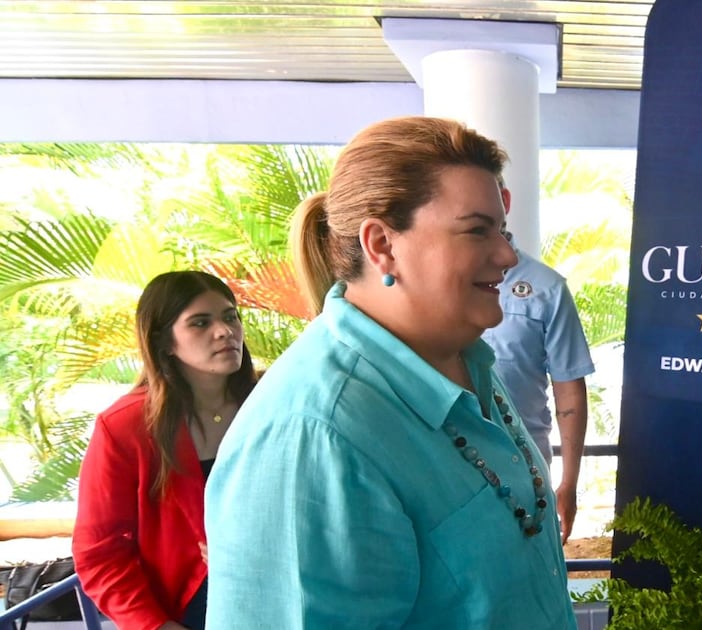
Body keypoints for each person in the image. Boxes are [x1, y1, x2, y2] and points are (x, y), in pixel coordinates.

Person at [204, 116, 577, 629]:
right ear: (381, 244)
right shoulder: (313, 435)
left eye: (503, 231)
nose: (508, 255)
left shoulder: (465, 360)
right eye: (477, 230)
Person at [73, 270, 256, 630]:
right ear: (165, 342)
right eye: (200, 323)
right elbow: (99, 554)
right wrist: (156, 626)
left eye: (230, 316)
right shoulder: (125, 427)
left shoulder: (271, 401)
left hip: (283, 592)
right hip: (186, 611)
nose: (224, 331)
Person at [481, 181, 595, 543]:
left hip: (526, 463)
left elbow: (569, 390)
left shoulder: (547, 288)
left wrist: (569, 483)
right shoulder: (436, 283)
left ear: (505, 200)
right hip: (452, 459)